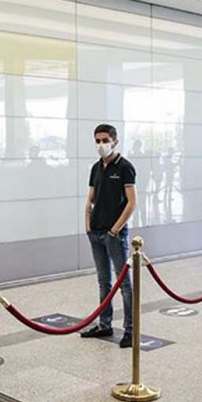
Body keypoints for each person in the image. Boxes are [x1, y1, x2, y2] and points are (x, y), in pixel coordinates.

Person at [81, 123, 136, 349]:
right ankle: (105, 324)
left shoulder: (125, 167)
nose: (101, 144)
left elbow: (131, 202)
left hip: (115, 235)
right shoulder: (96, 168)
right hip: (96, 232)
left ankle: (131, 329)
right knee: (104, 282)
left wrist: (115, 229)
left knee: (124, 284)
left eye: (105, 140)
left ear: (115, 141)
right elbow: (91, 197)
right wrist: (87, 224)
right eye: (97, 141)